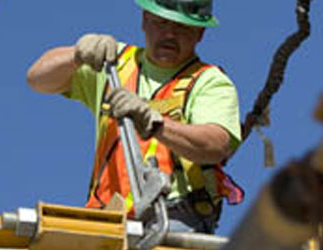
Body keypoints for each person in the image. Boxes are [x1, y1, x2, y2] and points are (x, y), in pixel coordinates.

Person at [27, 0, 243, 234]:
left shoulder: (208, 81)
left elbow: (215, 144)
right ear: (144, 20)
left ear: (199, 33)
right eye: (161, 22)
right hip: (108, 218)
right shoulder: (115, 64)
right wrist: (77, 55)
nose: (169, 33)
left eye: (182, 27)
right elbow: (38, 79)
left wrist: (156, 123)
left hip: (173, 219)